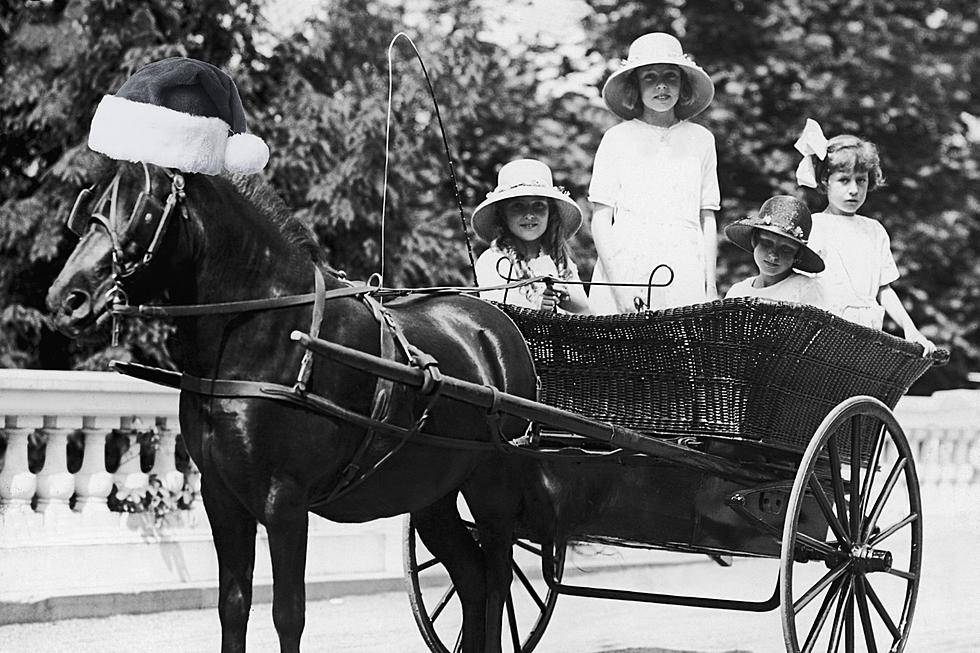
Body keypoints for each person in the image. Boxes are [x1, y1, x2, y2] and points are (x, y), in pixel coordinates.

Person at [588, 32, 721, 314]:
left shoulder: (701, 139)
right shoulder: (617, 138)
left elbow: (706, 215)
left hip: (684, 263)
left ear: (682, 83)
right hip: (626, 264)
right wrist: (619, 286)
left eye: (670, 76)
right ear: (635, 84)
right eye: (650, 77)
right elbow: (601, 218)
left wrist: (709, 285)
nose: (661, 86)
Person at [794, 119, 937, 354]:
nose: (853, 190)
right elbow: (799, 286)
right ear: (824, 182)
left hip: (867, 335)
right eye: (843, 180)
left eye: (861, 180)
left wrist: (911, 330)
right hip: (823, 334)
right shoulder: (815, 225)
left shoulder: (874, 231)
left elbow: (885, 289)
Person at [472, 158, 591, 313]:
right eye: (518, 206)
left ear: (551, 213)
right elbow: (498, 321)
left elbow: (586, 313)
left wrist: (567, 298)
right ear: (503, 215)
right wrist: (539, 310)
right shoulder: (493, 261)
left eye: (538, 206)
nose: (529, 215)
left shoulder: (559, 259)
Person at [724, 195, 831, 310]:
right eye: (767, 243)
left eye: (786, 249)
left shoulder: (806, 289)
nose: (773, 256)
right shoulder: (738, 292)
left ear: (797, 254)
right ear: (755, 240)